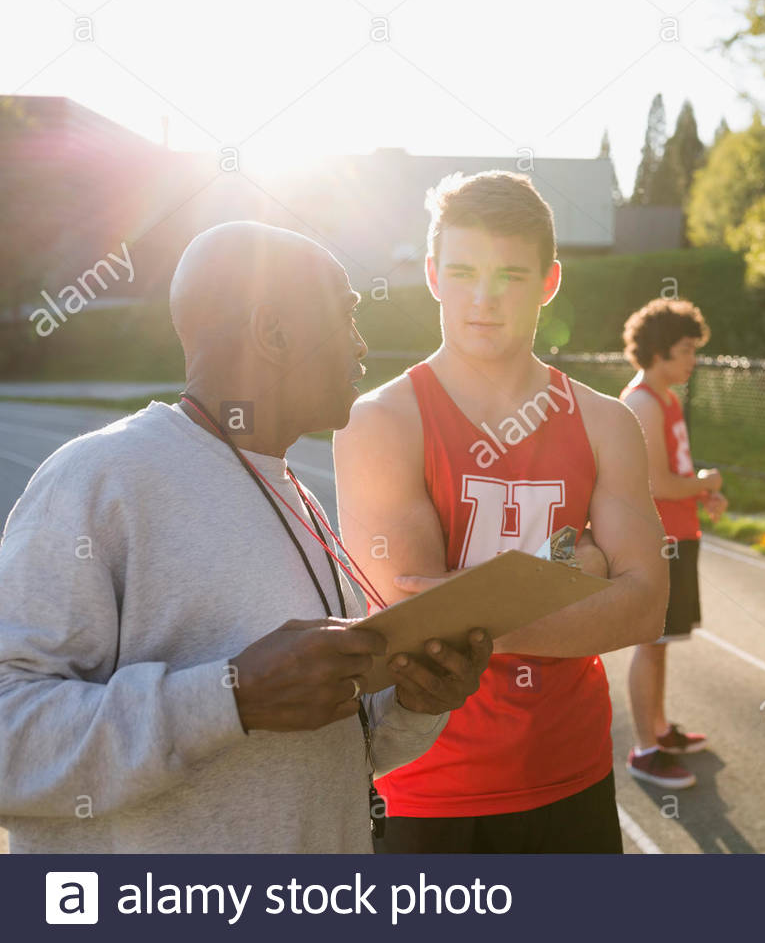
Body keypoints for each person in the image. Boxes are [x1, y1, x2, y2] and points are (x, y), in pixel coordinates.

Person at [0, 221, 491, 853]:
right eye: (346, 317)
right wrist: (230, 699)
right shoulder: (99, 477)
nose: (362, 345)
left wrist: (419, 704)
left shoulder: (298, 498)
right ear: (275, 333)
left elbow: (341, 752)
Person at [334, 171, 668, 853]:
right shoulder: (381, 422)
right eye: (462, 272)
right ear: (432, 274)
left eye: (511, 276)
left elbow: (645, 608)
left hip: (571, 775)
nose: (483, 300)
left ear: (548, 282)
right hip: (427, 788)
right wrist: (580, 567)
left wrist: (475, 600)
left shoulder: (605, 423)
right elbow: (414, 628)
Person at [618, 299, 726, 789]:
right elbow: (659, 484)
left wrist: (704, 493)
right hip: (656, 539)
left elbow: (674, 472)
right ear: (658, 351)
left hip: (679, 534)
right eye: (685, 350)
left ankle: (659, 730)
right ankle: (644, 749)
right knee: (651, 641)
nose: (692, 360)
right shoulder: (641, 402)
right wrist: (704, 482)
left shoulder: (667, 398)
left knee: (661, 645)